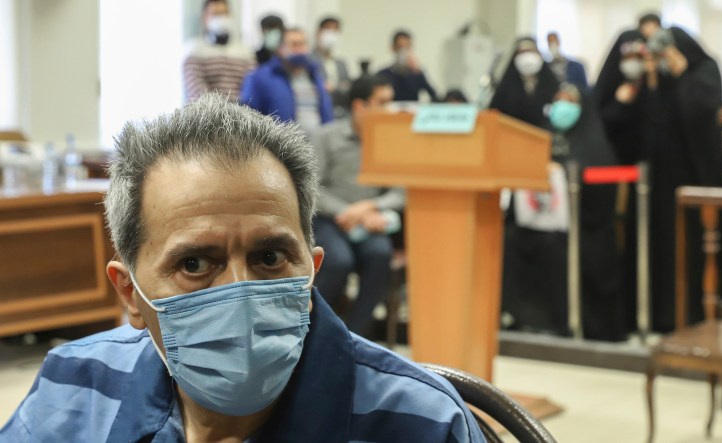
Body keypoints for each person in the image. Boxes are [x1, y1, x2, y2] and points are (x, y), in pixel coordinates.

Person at [0, 93, 484, 442]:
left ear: (311, 268)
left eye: (270, 257)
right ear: (129, 292)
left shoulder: (421, 423)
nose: (241, 292)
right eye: (194, 263)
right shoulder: (74, 385)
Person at [593, 13, 722, 333]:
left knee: (689, 250)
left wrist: (681, 75)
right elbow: (647, 125)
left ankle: (689, 315)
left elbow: (699, 117)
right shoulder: (658, 79)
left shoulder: (704, 71)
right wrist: (650, 83)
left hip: (692, 178)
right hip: (655, 184)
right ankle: (654, 314)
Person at [500, 82, 625, 340]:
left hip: (583, 224)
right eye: (558, 100)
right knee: (511, 239)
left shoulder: (595, 143)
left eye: (569, 101)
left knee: (559, 246)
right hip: (537, 222)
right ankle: (524, 316)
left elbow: (603, 196)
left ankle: (565, 321)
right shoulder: (543, 137)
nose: (562, 107)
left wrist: (571, 178)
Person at [312, 75, 404, 337]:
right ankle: (317, 332)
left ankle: (354, 338)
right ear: (360, 106)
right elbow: (312, 187)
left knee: (380, 255)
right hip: (331, 219)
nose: (389, 109)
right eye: (382, 102)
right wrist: (345, 211)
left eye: (390, 101)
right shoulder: (327, 137)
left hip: (369, 219)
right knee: (338, 261)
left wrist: (367, 208)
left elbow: (400, 192)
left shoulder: (391, 141)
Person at [240, 28, 333, 135]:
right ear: (280, 48)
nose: (299, 50)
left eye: (302, 44)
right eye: (294, 45)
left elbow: (327, 112)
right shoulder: (260, 77)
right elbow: (249, 115)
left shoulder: (315, 75)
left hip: (317, 145)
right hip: (282, 146)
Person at [182, 0, 254, 103]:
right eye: (215, 14)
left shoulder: (245, 52)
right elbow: (197, 94)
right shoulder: (194, 51)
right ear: (204, 18)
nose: (221, 18)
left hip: (244, 115)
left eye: (224, 13)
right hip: (208, 116)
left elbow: (252, 89)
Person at [490, 37, 560, 129]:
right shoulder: (506, 85)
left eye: (531, 51)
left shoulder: (550, 83)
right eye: (522, 53)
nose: (527, 57)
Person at [377, 30, 438, 102]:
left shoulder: (416, 73)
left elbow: (434, 95)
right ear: (393, 48)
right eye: (400, 47)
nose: (403, 51)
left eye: (407, 47)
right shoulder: (383, 74)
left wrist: (418, 73)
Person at [311, 16, 351, 117]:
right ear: (318, 32)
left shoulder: (341, 63)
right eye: (328, 29)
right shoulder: (310, 60)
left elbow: (347, 88)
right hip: (319, 114)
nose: (331, 33)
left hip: (341, 114)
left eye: (335, 30)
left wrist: (335, 88)